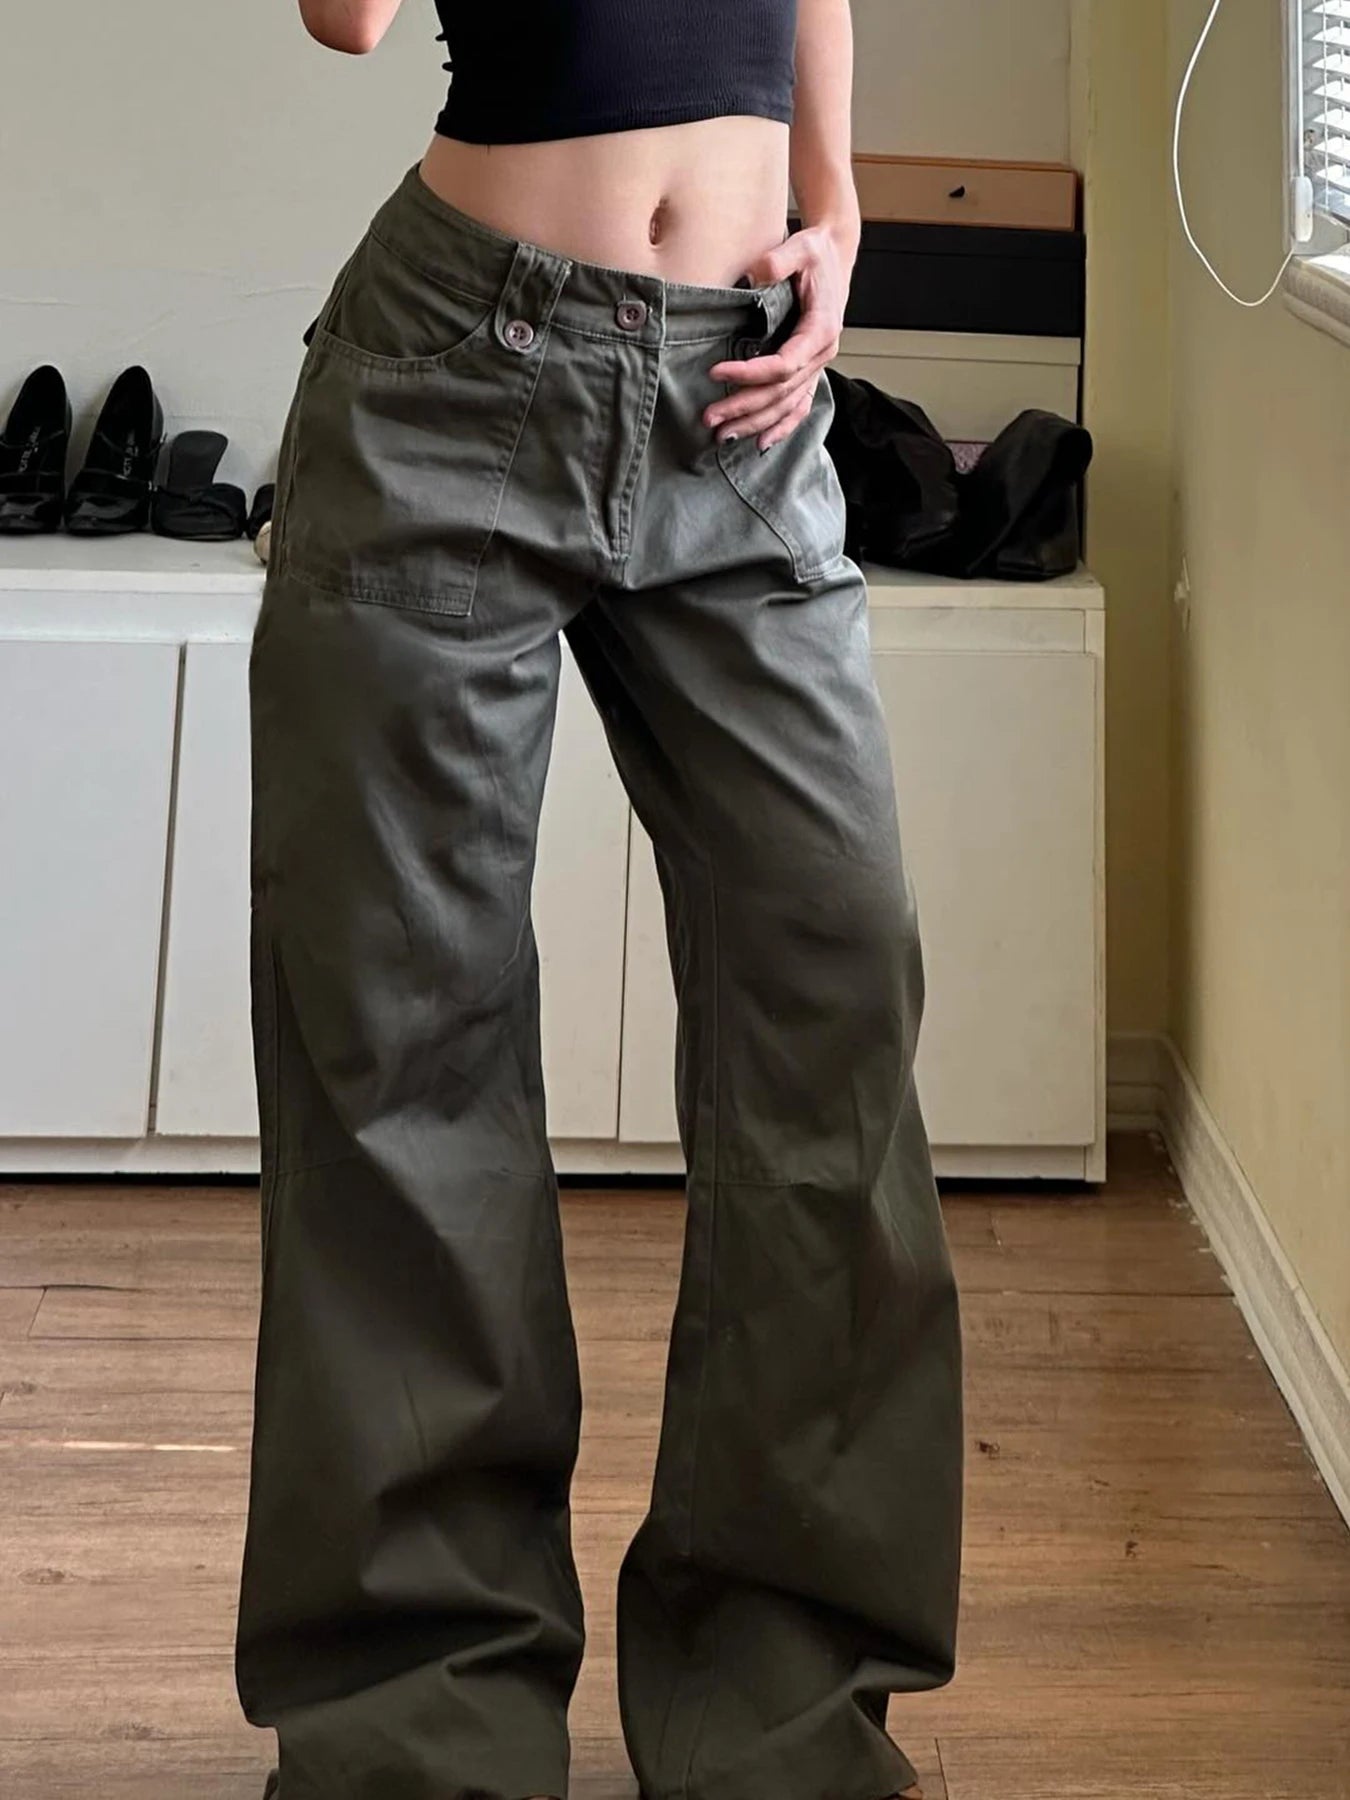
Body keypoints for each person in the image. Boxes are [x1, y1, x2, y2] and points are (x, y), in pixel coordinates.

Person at [234, 3, 964, 1798]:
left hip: (740, 399)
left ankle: (779, 1724)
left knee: (833, 997)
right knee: (401, 1045)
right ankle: (422, 1735)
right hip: (452, 372)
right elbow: (347, 19)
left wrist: (834, 204)